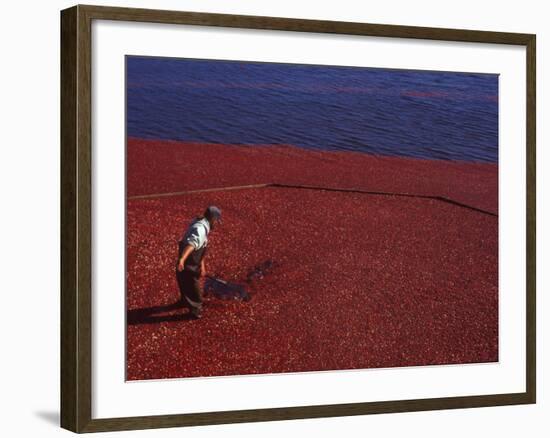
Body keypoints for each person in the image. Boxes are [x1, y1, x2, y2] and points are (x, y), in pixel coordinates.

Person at [176, 205, 222, 319]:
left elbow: (201, 246)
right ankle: (196, 309)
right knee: (192, 282)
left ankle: (184, 301)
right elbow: (192, 245)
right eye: (216, 221)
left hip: (190, 257)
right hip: (189, 258)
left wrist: (202, 266)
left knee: (182, 278)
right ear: (212, 219)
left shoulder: (200, 222)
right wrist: (182, 259)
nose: (216, 224)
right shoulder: (201, 229)